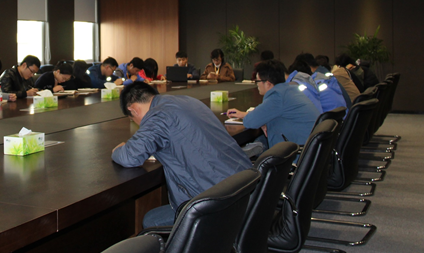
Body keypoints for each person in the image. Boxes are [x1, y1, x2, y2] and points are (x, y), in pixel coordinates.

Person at [111, 82, 252, 228]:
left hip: (220, 202)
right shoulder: (187, 100)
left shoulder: (159, 116)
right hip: (245, 186)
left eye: (132, 119)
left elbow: (130, 157)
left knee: (151, 220)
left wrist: (118, 150)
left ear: (133, 110)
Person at [227, 60, 320, 155]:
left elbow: (250, 122)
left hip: (296, 154)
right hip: (311, 150)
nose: (257, 84)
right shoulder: (290, 89)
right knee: (262, 139)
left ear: (268, 83)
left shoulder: (277, 96)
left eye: (257, 81)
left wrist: (261, 121)